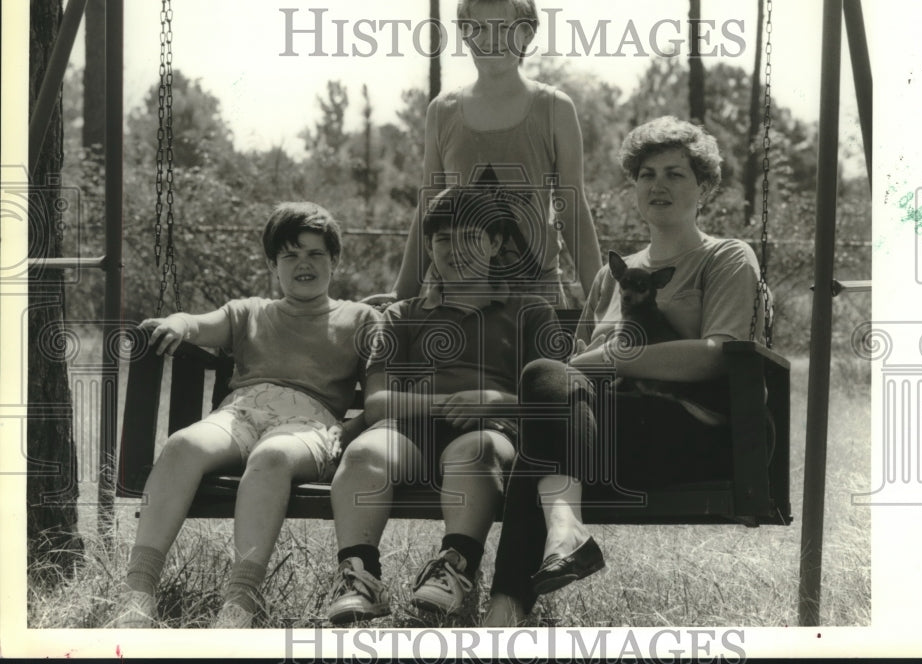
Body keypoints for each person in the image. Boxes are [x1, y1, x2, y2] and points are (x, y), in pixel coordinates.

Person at [483, 117, 769, 625]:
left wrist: (611, 357)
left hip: (684, 430)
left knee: (540, 431)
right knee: (544, 393)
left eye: (676, 174)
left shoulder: (725, 257)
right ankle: (551, 550)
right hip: (600, 435)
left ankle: (506, 609)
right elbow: (567, 375)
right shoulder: (609, 275)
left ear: (703, 186)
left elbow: (716, 354)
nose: (658, 184)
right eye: (646, 173)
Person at [112, 202, 379, 629]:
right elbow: (200, 324)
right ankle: (138, 592)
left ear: (335, 260)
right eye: (290, 255)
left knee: (271, 457)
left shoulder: (360, 318)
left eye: (315, 254)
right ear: (274, 263)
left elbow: (385, 389)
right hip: (242, 413)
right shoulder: (251, 311)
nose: (303, 264)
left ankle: (240, 601)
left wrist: (349, 430)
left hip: (307, 424)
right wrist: (180, 322)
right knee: (183, 444)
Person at [326, 186, 563, 625]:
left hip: (493, 434)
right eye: (442, 239)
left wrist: (491, 401)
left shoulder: (531, 311)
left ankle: (455, 568)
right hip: (410, 433)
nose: (454, 250)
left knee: (473, 451)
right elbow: (378, 402)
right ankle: (359, 576)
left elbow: (554, 396)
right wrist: (446, 404)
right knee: (364, 454)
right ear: (430, 247)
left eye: (470, 237)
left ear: (494, 243)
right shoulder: (403, 315)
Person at [368, 0, 602, 308]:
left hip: (535, 297)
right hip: (454, 298)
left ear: (527, 33)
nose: (492, 39)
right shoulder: (443, 111)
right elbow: (429, 205)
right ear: (463, 34)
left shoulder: (554, 108)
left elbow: (572, 208)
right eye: (478, 27)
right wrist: (402, 292)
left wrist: (601, 297)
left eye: (505, 28)